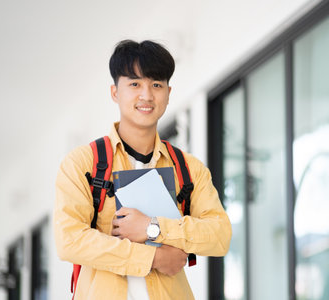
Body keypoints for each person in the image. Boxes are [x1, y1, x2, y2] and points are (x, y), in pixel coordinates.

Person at [54, 39, 232, 300]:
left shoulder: (189, 169)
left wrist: (153, 227)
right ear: (115, 92)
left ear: (168, 93)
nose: (147, 95)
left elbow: (220, 235)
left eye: (156, 85)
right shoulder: (83, 163)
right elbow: (69, 240)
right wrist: (155, 257)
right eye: (135, 84)